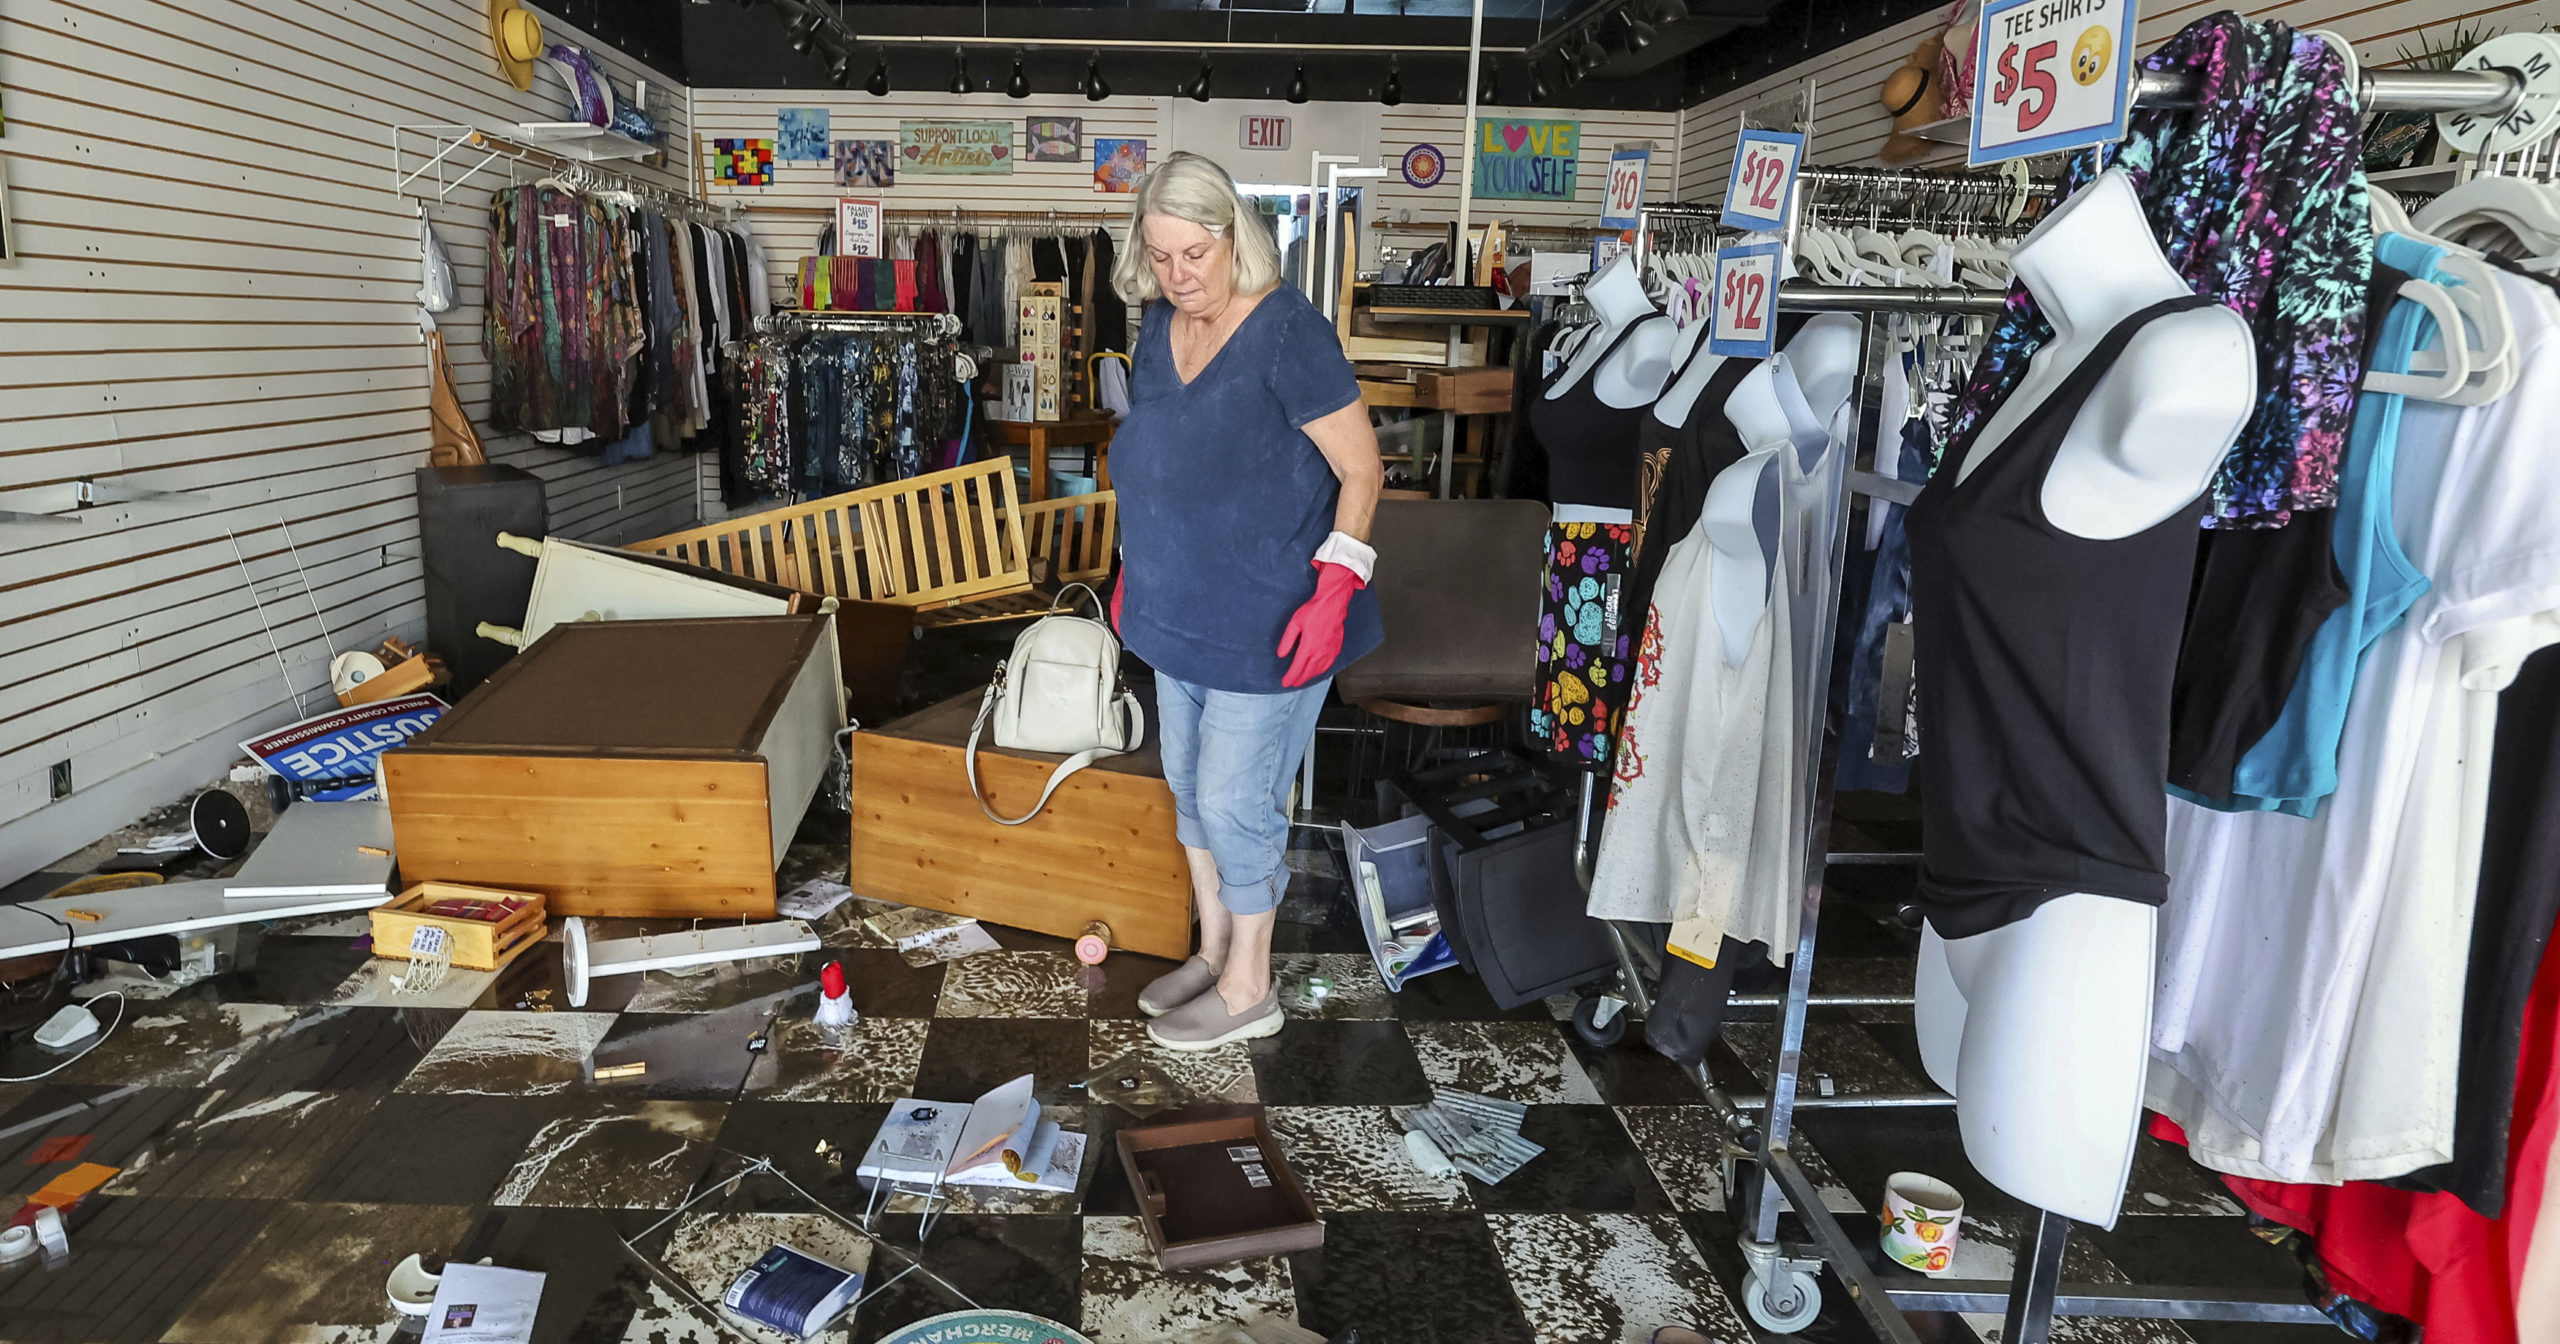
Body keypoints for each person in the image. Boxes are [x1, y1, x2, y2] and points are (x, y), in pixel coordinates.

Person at [1106, 151, 1385, 1051]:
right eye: (1161, 257)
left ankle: (1252, 986)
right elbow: (1162, 453)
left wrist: (1336, 589)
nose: (1179, 277)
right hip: (1175, 607)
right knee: (1188, 793)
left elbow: (1361, 469)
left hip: (1273, 618)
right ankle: (1216, 948)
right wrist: (1131, 569)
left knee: (1236, 803)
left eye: (1195, 254)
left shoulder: (1286, 331)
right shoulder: (1157, 324)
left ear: (1234, 237)